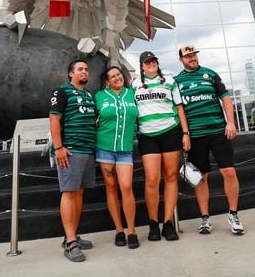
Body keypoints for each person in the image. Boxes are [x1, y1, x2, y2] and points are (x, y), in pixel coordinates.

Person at [175, 44, 244, 236]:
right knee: (200, 178)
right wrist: (185, 134)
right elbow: (177, 110)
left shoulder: (210, 74)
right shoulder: (177, 81)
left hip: (217, 131)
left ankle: (233, 214)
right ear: (181, 60)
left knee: (229, 172)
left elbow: (226, 99)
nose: (192, 59)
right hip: (195, 135)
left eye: (194, 55)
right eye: (188, 57)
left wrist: (230, 122)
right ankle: (205, 218)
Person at [133, 51, 191, 242]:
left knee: (171, 176)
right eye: (147, 62)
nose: (151, 64)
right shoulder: (134, 84)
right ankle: (153, 223)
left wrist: (185, 133)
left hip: (170, 132)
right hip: (147, 135)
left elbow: (179, 107)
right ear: (142, 66)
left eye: (153, 61)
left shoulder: (169, 81)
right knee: (152, 179)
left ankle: (167, 223)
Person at [49, 59, 97, 262]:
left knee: (79, 193)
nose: (84, 72)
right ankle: (70, 243)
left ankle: (73, 235)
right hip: (70, 151)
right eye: (80, 69)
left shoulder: (89, 95)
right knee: (69, 192)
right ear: (71, 74)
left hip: (88, 150)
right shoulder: (61, 92)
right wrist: (59, 147)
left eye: (86, 69)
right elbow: (54, 119)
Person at [94, 66, 140, 249]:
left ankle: (132, 231)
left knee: (126, 186)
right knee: (111, 187)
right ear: (107, 81)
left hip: (125, 148)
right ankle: (119, 230)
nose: (117, 78)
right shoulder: (99, 97)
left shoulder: (132, 94)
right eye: (112, 76)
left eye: (119, 75)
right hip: (104, 148)